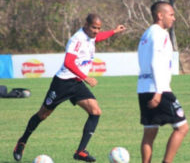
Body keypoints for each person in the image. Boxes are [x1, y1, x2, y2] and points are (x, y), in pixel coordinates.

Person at [13, 13, 126, 162]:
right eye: (94, 27)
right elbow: (68, 62)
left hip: (77, 84)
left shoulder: (91, 36)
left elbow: (97, 38)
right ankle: (22, 142)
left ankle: (80, 151)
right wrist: (86, 77)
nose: (96, 31)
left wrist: (114, 31)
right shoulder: (76, 39)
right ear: (85, 24)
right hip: (62, 83)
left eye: (99, 28)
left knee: (95, 111)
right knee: (42, 115)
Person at [137, 1, 189, 163]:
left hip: (143, 88)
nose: (174, 18)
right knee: (182, 128)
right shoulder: (160, 34)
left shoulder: (146, 34)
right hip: (159, 89)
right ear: (160, 15)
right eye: (171, 14)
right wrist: (159, 91)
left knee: (149, 133)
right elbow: (155, 62)